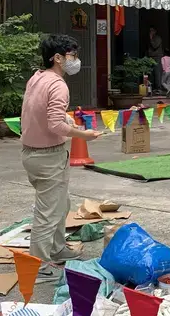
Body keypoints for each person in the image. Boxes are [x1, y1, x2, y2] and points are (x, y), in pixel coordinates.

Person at [21, 35, 102, 283]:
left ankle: (57, 248)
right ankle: (37, 265)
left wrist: (66, 121)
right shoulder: (58, 85)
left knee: (61, 204)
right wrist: (82, 134)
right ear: (57, 58)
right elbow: (54, 123)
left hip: (34, 153)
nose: (75, 60)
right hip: (48, 157)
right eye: (71, 55)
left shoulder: (37, 78)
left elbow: (39, 113)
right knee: (47, 214)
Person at [148, 27, 164, 93]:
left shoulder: (158, 38)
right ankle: (152, 87)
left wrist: (151, 38)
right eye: (150, 31)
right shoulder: (150, 38)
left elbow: (155, 46)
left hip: (157, 57)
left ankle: (158, 88)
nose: (150, 32)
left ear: (155, 31)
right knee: (151, 73)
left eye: (152, 30)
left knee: (157, 72)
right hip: (151, 57)